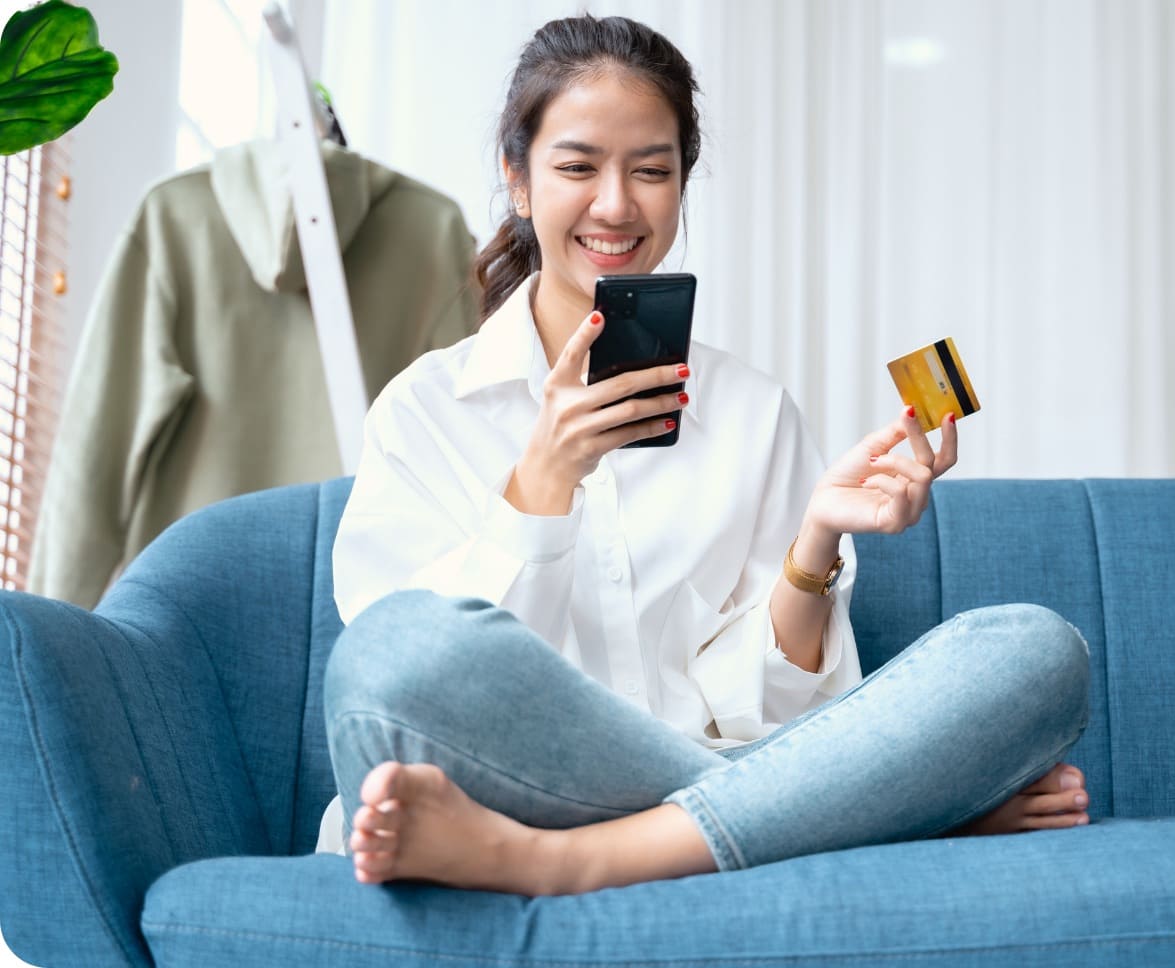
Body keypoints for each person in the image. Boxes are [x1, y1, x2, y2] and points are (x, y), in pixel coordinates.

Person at [323, 13, 1090, 896]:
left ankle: (568, 861)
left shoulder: (753, 414)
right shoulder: (425, 411)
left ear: (682, 184)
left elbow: (771, 717)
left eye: (651, 171)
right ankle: (864, 816)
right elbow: (422, 685)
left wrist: (814, 544)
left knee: (1034, 653)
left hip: (609, 803)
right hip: (507, 782)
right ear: (518, 180)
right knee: (390, 651)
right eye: (578, 167)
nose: (617, 205)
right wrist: (543, 481)